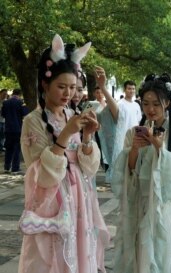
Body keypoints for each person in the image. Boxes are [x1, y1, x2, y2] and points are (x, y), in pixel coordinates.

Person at [18, 34, 109, 273]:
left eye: (73, 87)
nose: (68, 93)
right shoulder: (33, 121)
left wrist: (87, 137)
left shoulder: (72, 116)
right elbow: (40, 175)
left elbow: (88, 167)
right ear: (45, 84)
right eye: (61, 86)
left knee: (80, 248)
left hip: (79, 194)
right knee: (53, 255)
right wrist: (65, 136)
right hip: (54, 199)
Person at [112, 73, 171, 272]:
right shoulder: (133, 133)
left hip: (166, 205)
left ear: (168, 104)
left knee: (164, 248)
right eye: (145, 103)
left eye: (156, 104)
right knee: (138, 250)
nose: (150, 109)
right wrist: (134, 149)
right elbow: (128, 173)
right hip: (139, 202)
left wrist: (159, 147)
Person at [2, 88, 29, 174]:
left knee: (8, 147)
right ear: (20, 94)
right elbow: (25, 113)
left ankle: (6, 166)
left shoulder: (5, 103)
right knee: (17, 148)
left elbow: (3, 114)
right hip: (17, 128)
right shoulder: (20, 102)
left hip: (7, 128)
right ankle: (15, 168)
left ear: (13, 93)